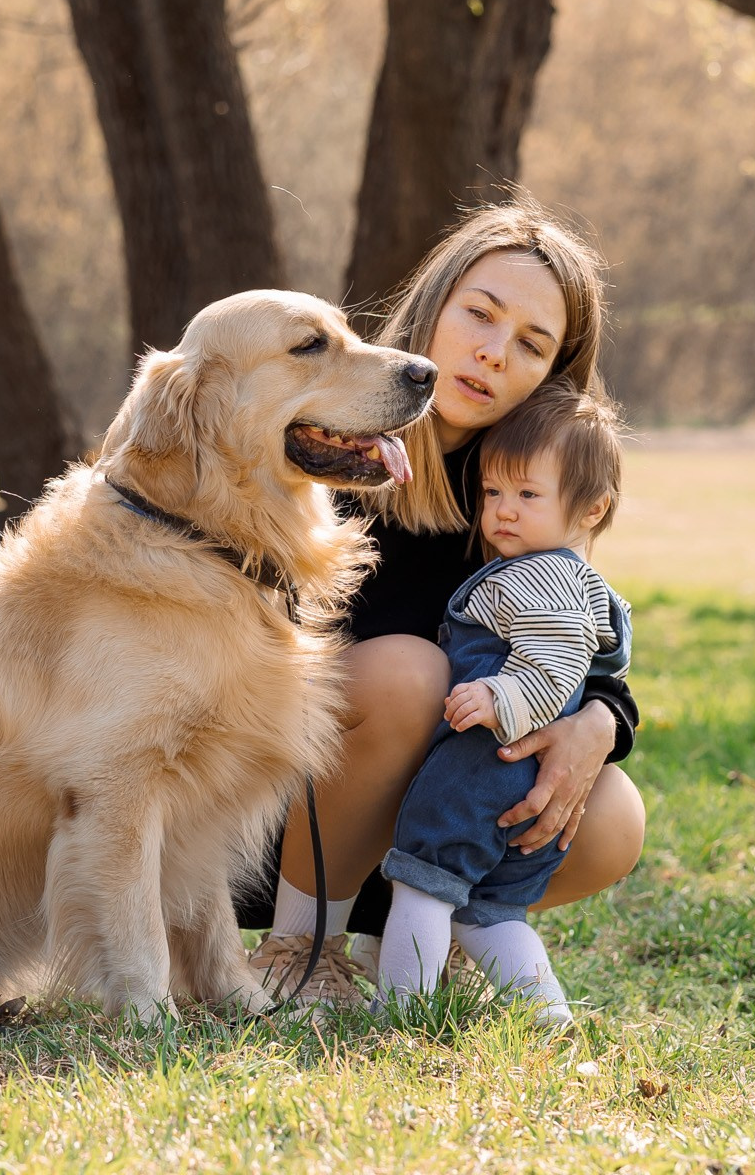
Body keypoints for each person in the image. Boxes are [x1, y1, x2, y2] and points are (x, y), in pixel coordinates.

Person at [236, 202, 645, 1005]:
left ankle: (421, 934)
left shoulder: (516, 496)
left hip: (424, 826)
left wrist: (599, 724)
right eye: (480, 315)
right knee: (407, 673)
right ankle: (299, 949)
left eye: (530, 344)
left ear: (551, 375)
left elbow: (572, 630)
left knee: (612, 816)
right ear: (434, 306)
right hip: (263, 818)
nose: (493, 353)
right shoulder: (323, 442)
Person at [374, 389, 630, 1027]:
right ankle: (548, 1018)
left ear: (591, 508)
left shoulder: (539, 576)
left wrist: (500, 696)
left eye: (527, 495)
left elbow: (556, 661)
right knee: (488, 909)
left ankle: (400, 1015)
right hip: (537, 791)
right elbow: (602, 669)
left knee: (424, 878)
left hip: (484, 768)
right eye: (492, 494)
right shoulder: (591, 588)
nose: (502, 513)